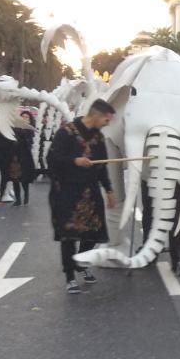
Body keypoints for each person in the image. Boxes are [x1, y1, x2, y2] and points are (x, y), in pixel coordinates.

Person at [47, 99, 117, 294]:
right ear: (95, 115)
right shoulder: (67, 132)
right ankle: (70, 276)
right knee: (69, 235)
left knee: (94, 233)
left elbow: (101, 166)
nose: (107, 123)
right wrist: (74, 161)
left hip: (90, 192)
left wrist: (109, 191)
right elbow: (51, 159)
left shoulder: (98, 138)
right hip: (67, 193)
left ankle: (81, 261)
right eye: (106, 119)